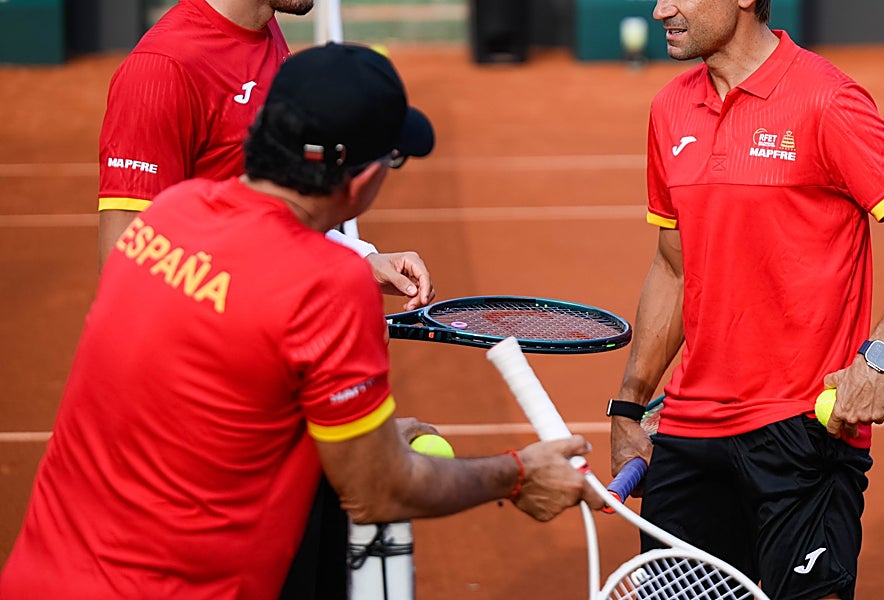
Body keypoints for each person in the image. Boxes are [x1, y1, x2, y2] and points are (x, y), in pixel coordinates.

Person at [0, 44, 603, 598]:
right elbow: (378, 490)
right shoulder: (329, 285)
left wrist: (357, 434)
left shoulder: (167, 216)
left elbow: (216, 398)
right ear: (364, 178)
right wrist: (517, 475)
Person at [606, 0, 884, 600]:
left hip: (801, 431)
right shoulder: (669, 110)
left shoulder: (826, 101)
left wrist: (879, 359)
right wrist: (629, 409)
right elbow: (671, 264)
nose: (660, 10)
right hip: (688, 431)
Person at [95, 0, 429, 306]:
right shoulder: (162, 70)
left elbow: (260, 214)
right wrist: (289, 322)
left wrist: (354, 258)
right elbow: (124, 275)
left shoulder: (264, 29)